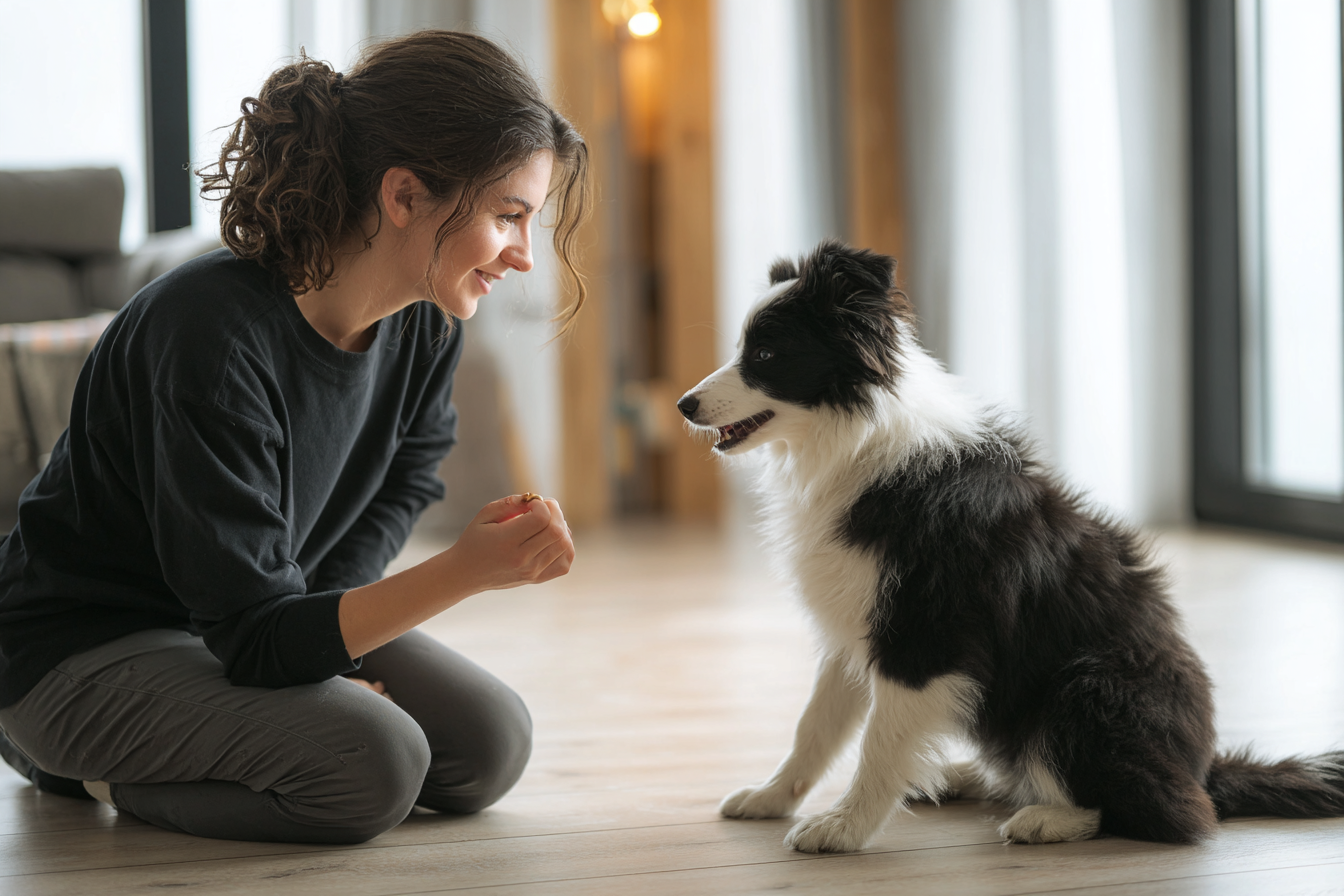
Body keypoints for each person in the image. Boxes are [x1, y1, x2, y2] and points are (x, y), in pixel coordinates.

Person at [0, 30, 587, 843]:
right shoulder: (209, 333)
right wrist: (464, 571)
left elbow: (407, 475)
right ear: (405, 195)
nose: (523, 255)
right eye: (507, 216)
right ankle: (68, 761)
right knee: (372, 766)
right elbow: (252, 637)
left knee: (489, 744)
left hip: (240, 625)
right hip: (80, 652)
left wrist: (329, 645)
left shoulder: (424, 324)